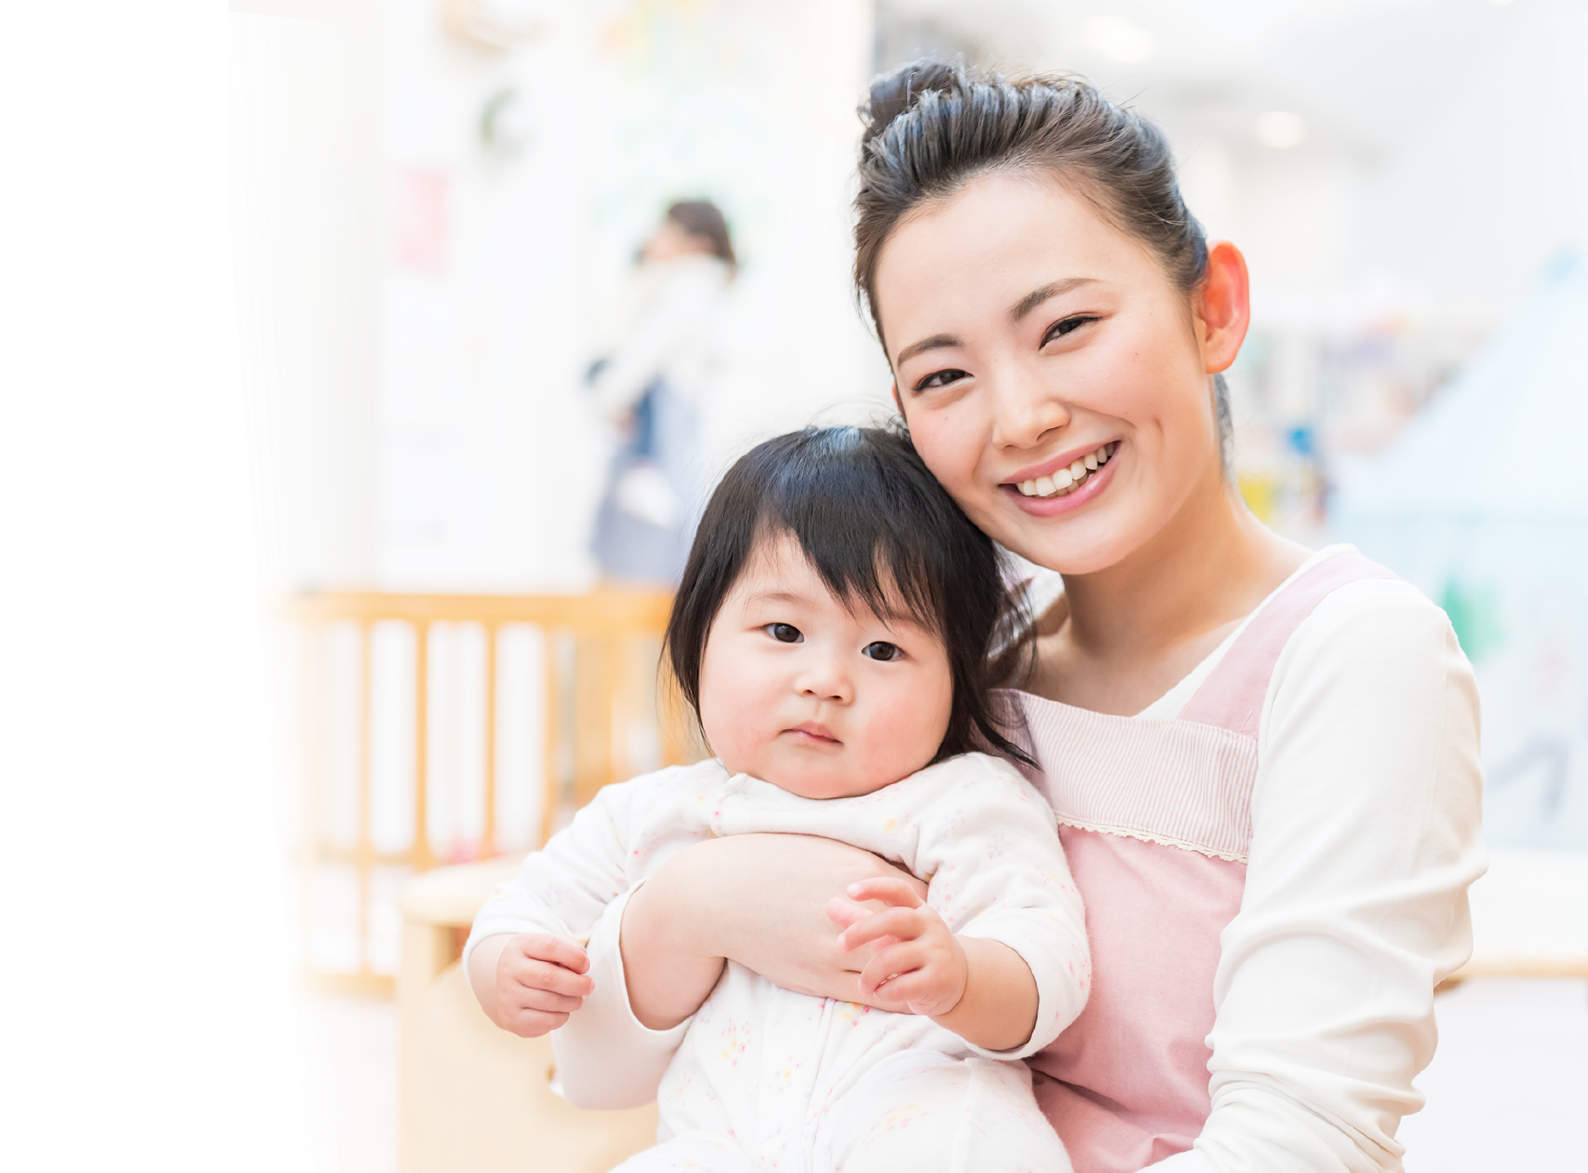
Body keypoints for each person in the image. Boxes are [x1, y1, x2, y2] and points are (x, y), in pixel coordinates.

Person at [546, 60, 1485, 1173]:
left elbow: (1302, 1139)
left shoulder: (1356, 658)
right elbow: (595, 1074)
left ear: (1214, 309)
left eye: (1067, 326)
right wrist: (687, 904)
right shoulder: (947, 665)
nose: (1023, 416)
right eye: (945, 376)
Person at [464, 427, 1089, 1171]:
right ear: (700, 635)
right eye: (784, 630)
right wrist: (502, 966)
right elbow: (527, 904)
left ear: (958, 676)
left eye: (882, 649)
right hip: (725, 1139)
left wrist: (963, 976)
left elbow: (1051, 961)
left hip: (916, 1111)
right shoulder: (657, 810)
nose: (825, 680)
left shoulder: (965, 801)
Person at [587, 200, 736, 584]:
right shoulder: (705, 293)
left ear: (698, 244)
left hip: (653, 463)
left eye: (667, 231)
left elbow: (630, 367)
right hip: (671, 458)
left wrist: (604, 398)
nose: (654, 238)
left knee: (636, 576)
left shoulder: (685, 292)